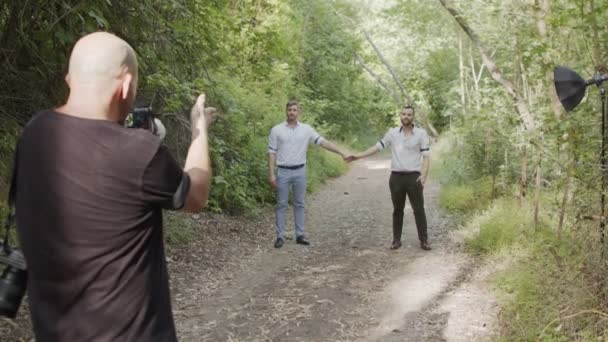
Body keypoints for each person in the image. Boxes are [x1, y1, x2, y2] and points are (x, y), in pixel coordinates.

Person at [13, 31, 216, 341]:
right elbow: (196, 194)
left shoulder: (33, 134)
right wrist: (198, 128)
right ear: (124, 85)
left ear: (70, 78)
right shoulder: (139, 152)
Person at [348, 105, 431, 251]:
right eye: (404, 114)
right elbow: (377, 147)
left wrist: (424, 175)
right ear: (400, 116)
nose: (406, 117)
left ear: (413, 117)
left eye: (409, 114)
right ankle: (396, 240)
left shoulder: (421, 134)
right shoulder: (392, 133)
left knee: (418, 209)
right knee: (397, 209)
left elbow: (426, 157)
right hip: (396, 177)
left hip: (414, 177)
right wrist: (358, 156)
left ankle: (424, 240)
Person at [268, 100, 347, 248]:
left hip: (300, 171)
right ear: (286, 111)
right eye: (289, 110)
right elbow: (271, 153)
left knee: (300, 204)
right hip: (283, 171)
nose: (292, 112)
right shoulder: (276, 130)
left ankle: (300, 235)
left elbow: (323, 142)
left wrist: (341, 153)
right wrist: (271, 174)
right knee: (281, 205)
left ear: (299, 112)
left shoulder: (306, 130)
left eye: (294, 110)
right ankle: (280, 237)